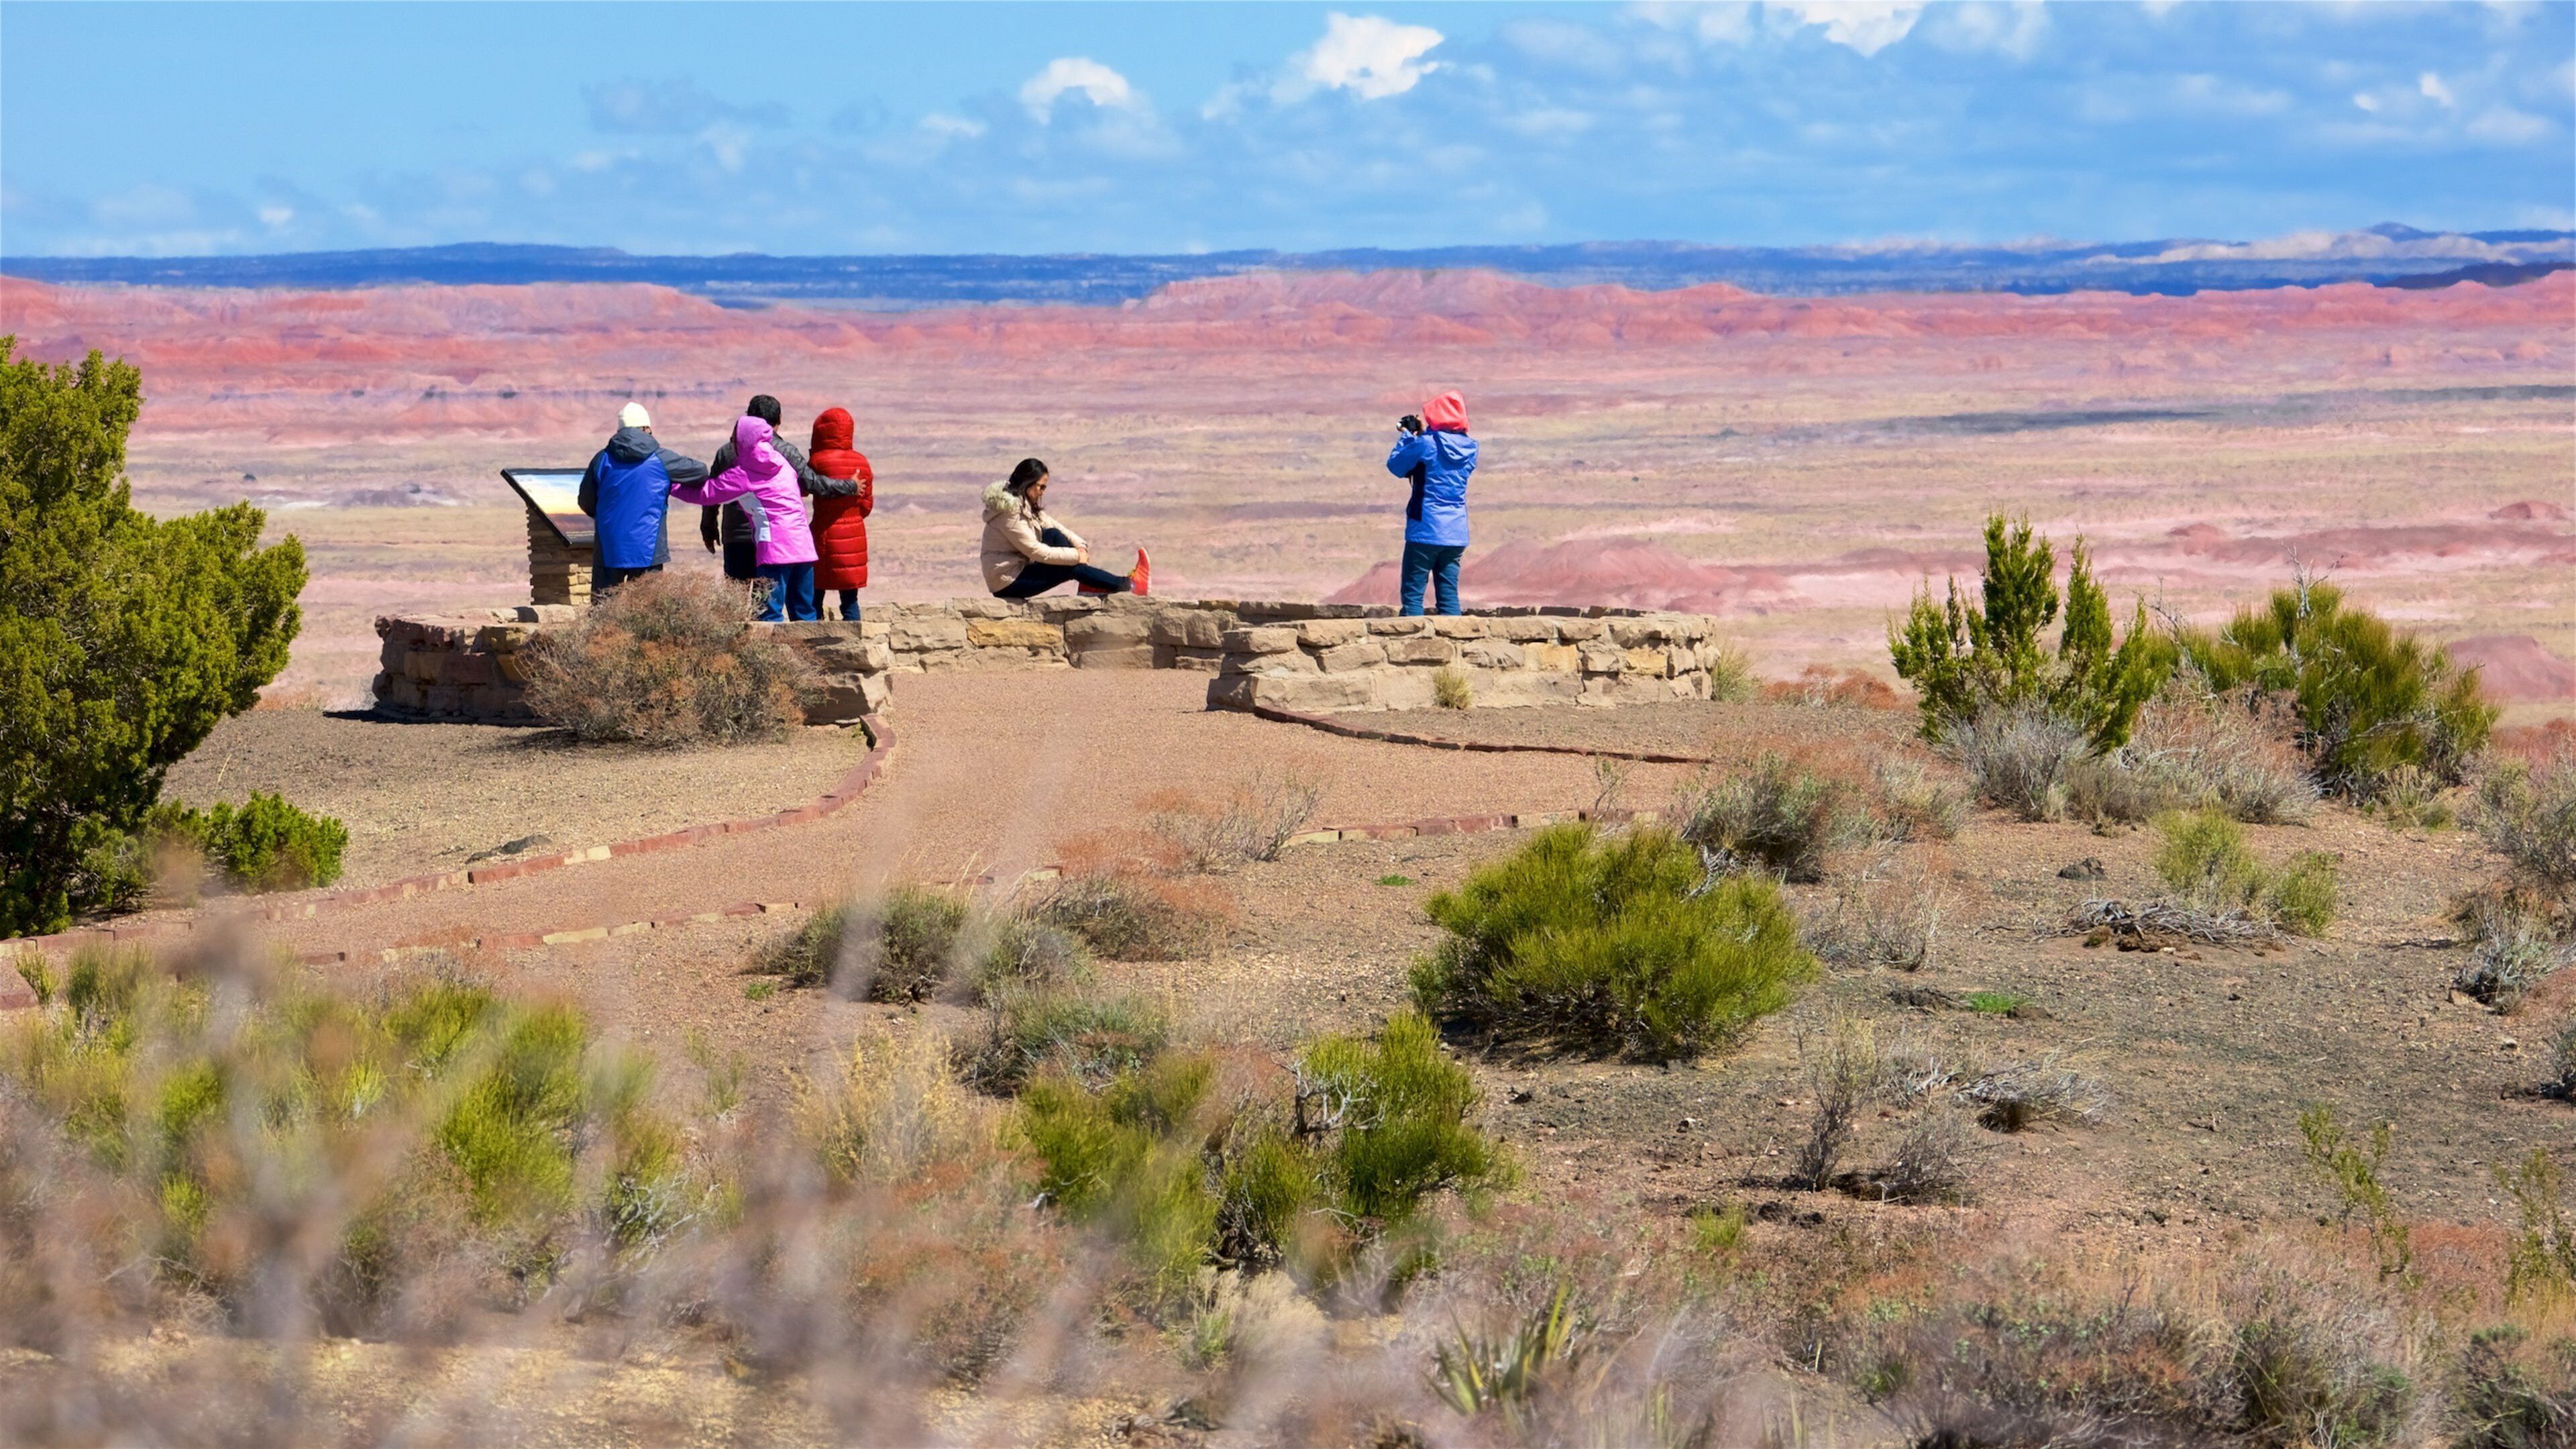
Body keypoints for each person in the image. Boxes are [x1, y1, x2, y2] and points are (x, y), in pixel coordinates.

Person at [673, 415, 819, 620]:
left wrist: (670, 486)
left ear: (743, 441)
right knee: (805, 614)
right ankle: (811, 652)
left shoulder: (744, 473)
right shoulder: (782, 463)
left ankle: (773, 654)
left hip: (775, 550)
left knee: (769, 615)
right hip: (803, 546)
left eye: (735, 438)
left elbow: (706, 494)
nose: (732, 441)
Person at [576, 402, 707, 596]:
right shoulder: (661, 459)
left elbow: (585, 501)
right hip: (649, 546)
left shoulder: (602, 459)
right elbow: (700, 471)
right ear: (646, 428)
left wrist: (607, 518)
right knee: (646, 609)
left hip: (609, 545)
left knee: (604, 608)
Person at [701, 395, 830, 586]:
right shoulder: (786, 451)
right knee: (768, 600)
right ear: (779, 419)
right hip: (774, 538)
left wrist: (708, 527)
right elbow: (812, 484)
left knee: (737, 599)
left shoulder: (727, 451)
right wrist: (850, 486)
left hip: (737, 535)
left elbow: (712, 494)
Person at [979, 458, 1148, 599]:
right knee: (1069, 567)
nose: (1043, 492)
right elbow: (1035, 551)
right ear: (1027, 483)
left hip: (1019, 570)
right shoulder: (1010, 514)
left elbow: (1052, 524)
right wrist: (1076, 556)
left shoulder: (1022, 503)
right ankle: (1128, 585)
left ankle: (1092, 583)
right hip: (1007, 582)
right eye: (1041, 487)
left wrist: (1080, 546)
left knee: (1053, 535)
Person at [1383, 390, 1477, 616]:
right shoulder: (1470, 448)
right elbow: (1441, 461)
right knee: (1448, 595)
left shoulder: (1425, 444)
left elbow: (1396, 466)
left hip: (1425, 527)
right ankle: (1457, 646)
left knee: (1413, 594)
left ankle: (1413, 644)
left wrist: (1408, 436)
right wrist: (1426, 435)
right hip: (1455, 532)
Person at [805, 407, 873, 621]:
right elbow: (866, 506)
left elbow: (804, 489)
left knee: (816, 593)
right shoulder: (862, 462)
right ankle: (855, 641)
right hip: (854, 536)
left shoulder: (817, 462)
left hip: (824, 534)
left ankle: (813, 645)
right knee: (850, 598)